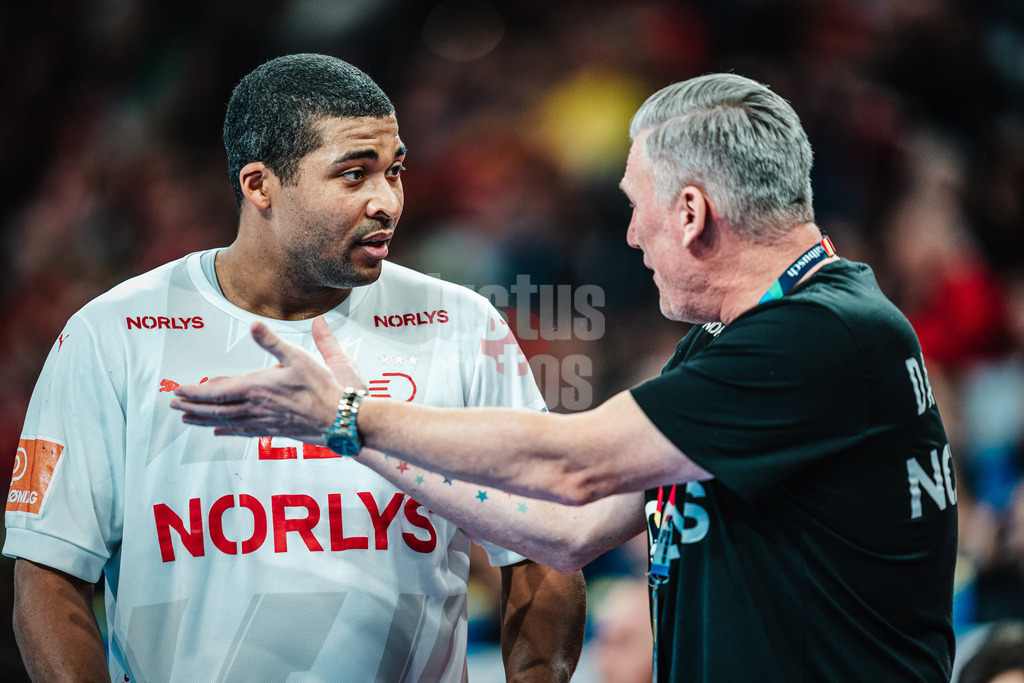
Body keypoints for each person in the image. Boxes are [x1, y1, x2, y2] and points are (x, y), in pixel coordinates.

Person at [173, 73, 959, 680]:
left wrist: (348, 416)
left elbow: (573, 463)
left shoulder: (816, 337)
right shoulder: (747, 338)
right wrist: (356, 437)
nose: (630, 233)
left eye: (635, 205)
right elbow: (567, 529)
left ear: (690, 212)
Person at [4, 53, 586, 682]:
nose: (387, 201)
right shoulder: (114, 334)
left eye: (394, 171)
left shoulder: (461, 326)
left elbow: (543, 552)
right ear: (260, 186)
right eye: (354, 175)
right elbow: (49, 576)